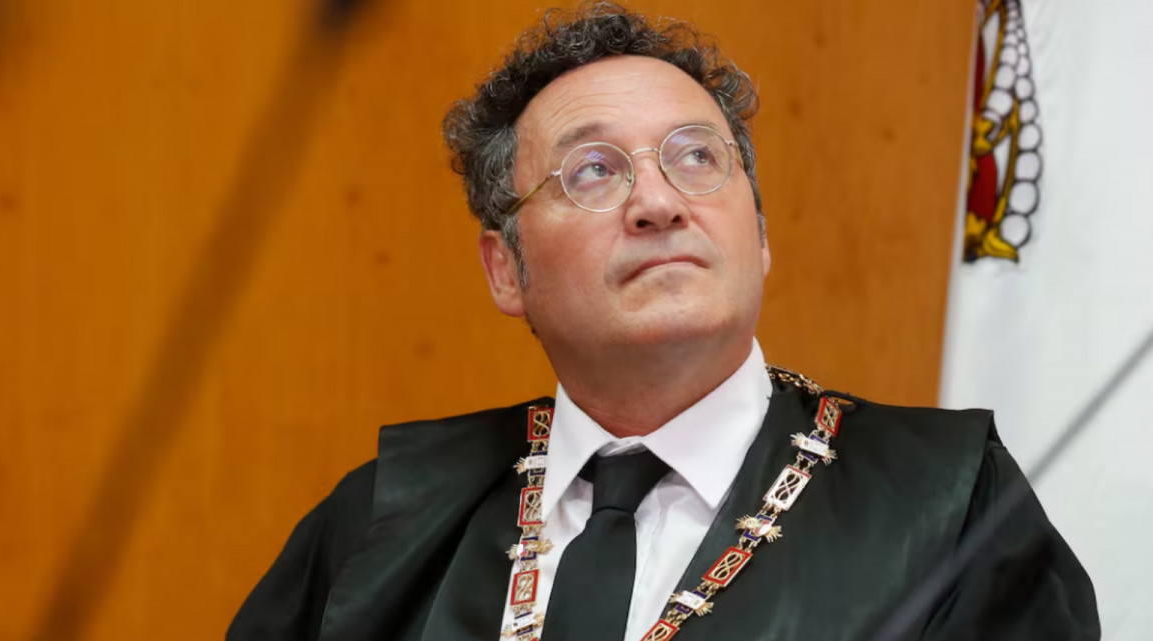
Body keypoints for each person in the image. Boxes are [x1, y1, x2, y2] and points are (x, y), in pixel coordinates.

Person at [227, 4, 1099, 641]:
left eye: (696, 156)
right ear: (506, 268)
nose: (657, 202)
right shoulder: (379, 523)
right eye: (593, 170)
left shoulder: (946, 502)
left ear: (759, 235)